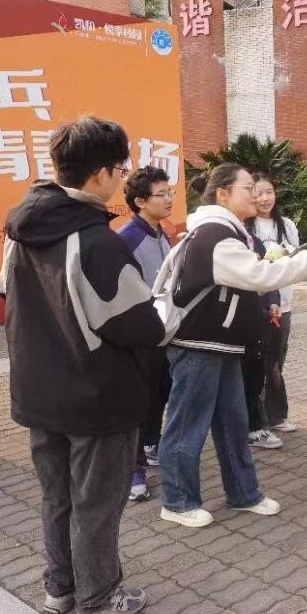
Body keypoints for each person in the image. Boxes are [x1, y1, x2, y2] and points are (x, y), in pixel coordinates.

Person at [0, 115, 164, 614]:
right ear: (100, 174)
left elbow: (7, 295)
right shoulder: (96, 242)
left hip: (37, 390)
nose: (121, 178)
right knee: (96, 502)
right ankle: (97, 598)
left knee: (57, 497)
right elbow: (140, 326)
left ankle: (61, 587)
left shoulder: (19, 230)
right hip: (96, 396)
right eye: (120, 169)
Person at [157, 163, 307, 528]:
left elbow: (253, 277)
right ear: (223, 194)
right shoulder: (215, 236)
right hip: (199, 345)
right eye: (248, 188)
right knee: (187, 425)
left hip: (222, 343)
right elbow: (261, 276)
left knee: (233, 424)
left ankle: (244, 494)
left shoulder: (225, 232)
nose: (256, 194)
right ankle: (178, 501)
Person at [117, 165, 175, 501]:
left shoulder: (160, 233)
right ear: (140, 201)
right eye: (161, 194)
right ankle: (133, 469)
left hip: (163, 331)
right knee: (139, 401)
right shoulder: (127, 238)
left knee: (159, 394)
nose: (168, 199)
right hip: (141, 334)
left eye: (169, 192)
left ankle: (151, 445)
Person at [246, 173, 300, 434]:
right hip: (256, 304)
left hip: (283, 304)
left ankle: (276, 415)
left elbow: (296, 260)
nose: (265, 198)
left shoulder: (286, 225)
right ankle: (256, 418)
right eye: (258, 193)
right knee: (258, 362)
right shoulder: (245, 227)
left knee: (276, 362)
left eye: (269, 192)